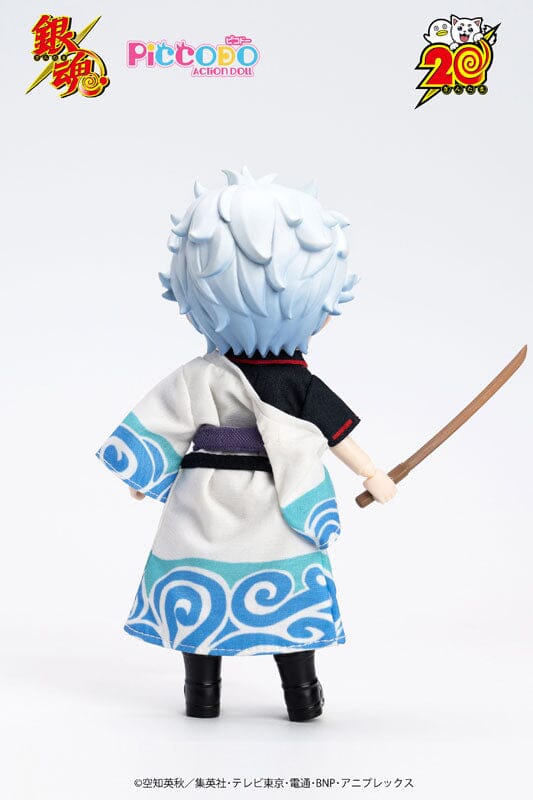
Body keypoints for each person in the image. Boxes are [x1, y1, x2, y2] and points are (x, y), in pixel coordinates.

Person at [97, 167, 397, 722]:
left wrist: (144, 476)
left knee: (204, 596)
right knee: (283, 600)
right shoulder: (277, 378)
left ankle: (215, 695)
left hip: (214, 498)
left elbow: (166, 422)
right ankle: (294, 696)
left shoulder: (214, 374)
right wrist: (370, 473)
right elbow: (336, 434)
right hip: (272, 500)